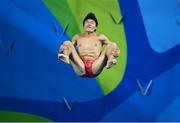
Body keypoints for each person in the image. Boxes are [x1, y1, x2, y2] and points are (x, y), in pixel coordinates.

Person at [58, 12, 120, 77]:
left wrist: (116, 52)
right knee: (67, 43)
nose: (89, 24)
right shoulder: (77, 37)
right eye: (87, 22)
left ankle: (110, 60)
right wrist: (63, 49)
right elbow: (70, 47)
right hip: (80, 66)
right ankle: (65, 57)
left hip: (95, 66)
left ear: (95, 27)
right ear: (84, 26)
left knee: (112, 44)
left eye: (92, 22)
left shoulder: (100, 37)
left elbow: (113, 47)